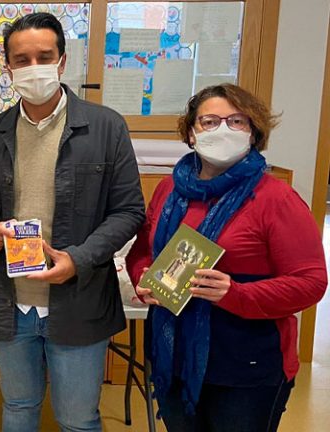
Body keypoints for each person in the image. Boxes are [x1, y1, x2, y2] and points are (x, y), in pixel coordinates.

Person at [0, 12, 145, 432]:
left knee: (78, 420)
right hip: (11, 302)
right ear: (7, 68)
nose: (33, 68)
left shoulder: (105, 127)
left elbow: (129, 211)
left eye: (44, 56)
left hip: (79, 299)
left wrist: (78, 259)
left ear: (62, 62)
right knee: (19, 408)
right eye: (21, 59)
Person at [126, 83, 327, 431]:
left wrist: (235, 294)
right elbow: (143, 251)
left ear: (254, 134)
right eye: (209, 122)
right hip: (174, 357)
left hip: (245, 366)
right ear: (191, 133)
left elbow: (310, 283)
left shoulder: (275, 198)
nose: (222, 130)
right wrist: (145, 278)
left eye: (236, 122)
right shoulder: (169, 190)